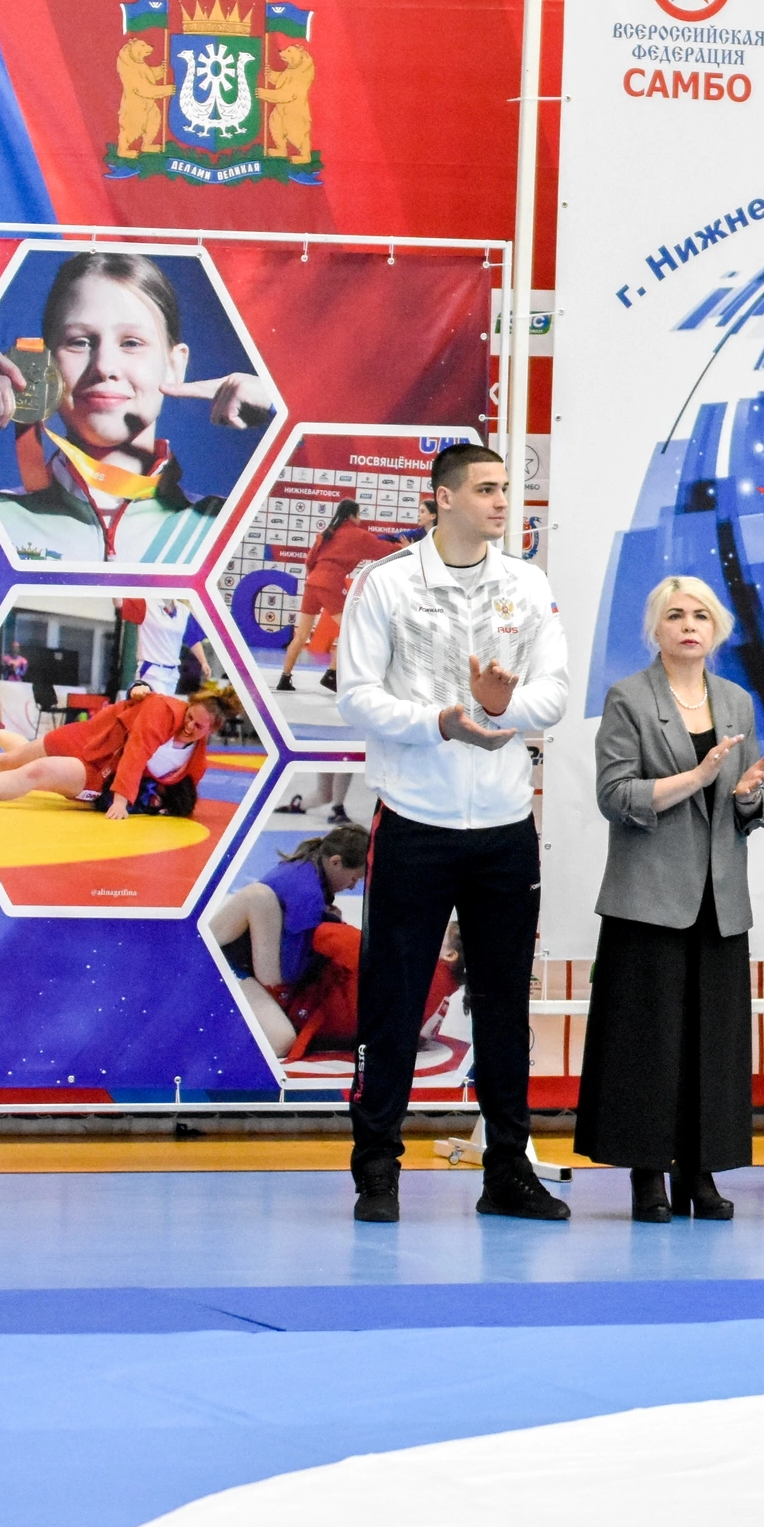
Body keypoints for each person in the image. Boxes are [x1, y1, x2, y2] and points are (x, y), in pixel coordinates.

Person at [334, 441, 568, 1226]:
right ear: (442, 497)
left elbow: (554, 693)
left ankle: (508, 1169)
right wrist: (441, 721)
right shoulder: (387, 582)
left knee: (503, 1004)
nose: (503, 501)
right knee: (394, 999)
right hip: (414, 820)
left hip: (504, 828)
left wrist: (500, 709)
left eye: (506, 488)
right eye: (487, 489)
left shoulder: (527, 584)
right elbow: (357, 695)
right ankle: (377, 1168)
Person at [577, 577, 764, 1225]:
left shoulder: (736, 701)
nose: (689, 625)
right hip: (648, 899)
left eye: (700, 616)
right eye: (675, 615)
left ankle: (700, 1170)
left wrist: (748, 796)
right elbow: (615, 796)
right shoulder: (628, 697)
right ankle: (647, 1175)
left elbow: (748, 805)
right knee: (648, 1043)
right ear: (655, 629)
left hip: (720, 900)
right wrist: (694, 777)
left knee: (712, 1044)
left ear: (716, 630)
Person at [0, 251, 274, 564]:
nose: (104, 366)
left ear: (174, 365)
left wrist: (280, 412)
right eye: (79, 342)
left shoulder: (228, 527)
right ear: (43, 363)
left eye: (131, 343)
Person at [207, 823, 369, 1058]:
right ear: (335, 862)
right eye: (354, 878)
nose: (353, 886)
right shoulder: (308, 895)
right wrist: (327, 926)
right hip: (233, 966)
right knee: (281, 1041)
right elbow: (289, 972)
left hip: (238, 958)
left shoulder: (304, 865)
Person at [0, 683, 233, 817]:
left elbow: (183, 796)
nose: (189, 726)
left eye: (198, 726)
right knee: (13, 760)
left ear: (211, 731)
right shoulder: (165, 711)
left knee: (37, 771)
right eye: (189, 717)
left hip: (101, 771)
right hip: (89, 736)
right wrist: (120, 801)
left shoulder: (195, 761)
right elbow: (136, 752)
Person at [278, 500, 415, 693]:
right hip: (331, 582)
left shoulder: (327, 533)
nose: (360, 519)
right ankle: (331, 675)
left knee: (301, 635)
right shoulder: (359, 536)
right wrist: (406, 549)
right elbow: (383, 550)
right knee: (352, 630)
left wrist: (316, 578)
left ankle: (284, 678)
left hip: (312, 581)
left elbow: (310, 560)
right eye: (359, 515)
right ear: (352, 516)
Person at [117, 596, 197, 694]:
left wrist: (204, 662)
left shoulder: (184, 610)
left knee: (165, 703)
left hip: (172, 672)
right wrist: (114, 588)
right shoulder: (146, 604)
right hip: (152, 670)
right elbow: (120, 603)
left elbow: (193, 638)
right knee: (157, 701)